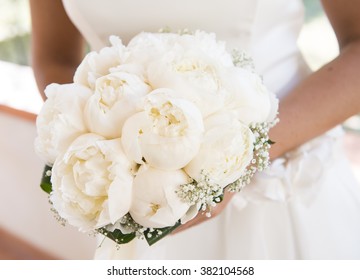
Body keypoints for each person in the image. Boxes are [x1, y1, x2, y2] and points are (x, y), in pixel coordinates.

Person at [29, 0, 360, 259]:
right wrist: (102, 146)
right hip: (142, 204)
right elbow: (54, 58)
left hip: (283, 186)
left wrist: (246, 154)